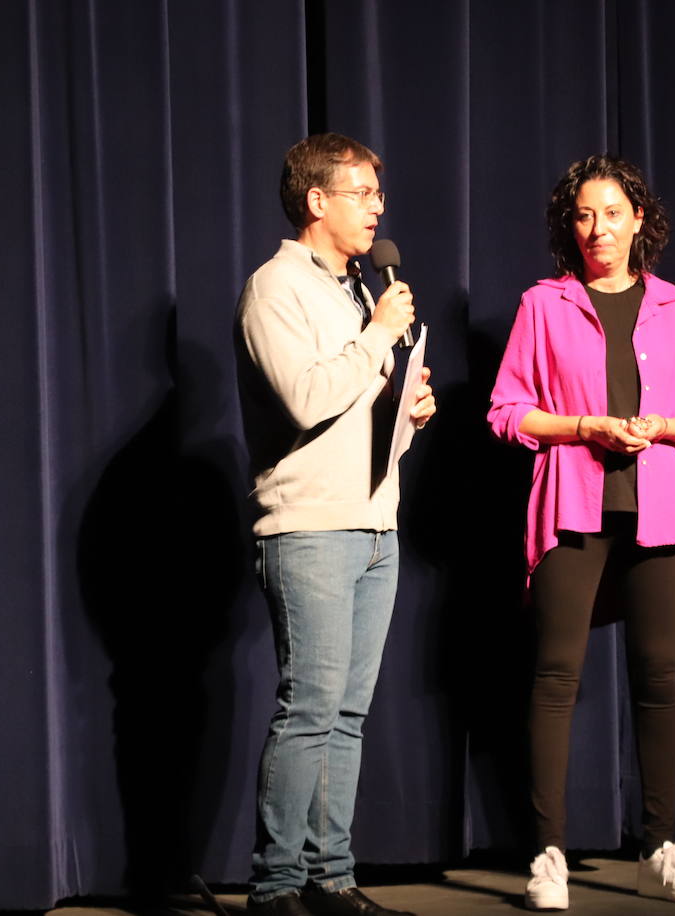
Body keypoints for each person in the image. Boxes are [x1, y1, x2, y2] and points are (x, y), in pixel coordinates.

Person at [487, 155, 675, 909]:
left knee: (659, 679)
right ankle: (548, 854)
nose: (599, 230)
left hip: (657, 507)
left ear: (639, 222)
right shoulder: (544, 306)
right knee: (557, 677)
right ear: (572, 226)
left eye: (613, 214)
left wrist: (664, 426)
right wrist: (583, 425)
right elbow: (505, 411)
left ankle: (659, 847)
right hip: (572, 507)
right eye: (585, 216)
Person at [235, 133, 435, 916]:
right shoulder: (274, 288)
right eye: (362, 194)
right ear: (317, 201)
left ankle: (332, 878)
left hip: (375, 522)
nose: (377, 208)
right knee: (310, 708)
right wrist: (381, 335)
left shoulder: (359, 290)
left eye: (378, 196)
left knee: (347, 716)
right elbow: (307, 398)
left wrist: (410, 408)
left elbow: (359, 405)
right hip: (310, 526)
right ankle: (277, 886)